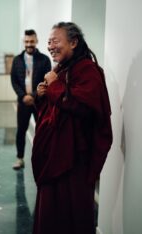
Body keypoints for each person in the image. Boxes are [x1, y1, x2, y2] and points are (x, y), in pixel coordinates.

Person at [31, 22, 113, 234]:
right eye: (48, 42)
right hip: (54, 155)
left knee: (72, 214)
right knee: (50, 212)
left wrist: (55, 85)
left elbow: (83, 108)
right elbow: (54, 110)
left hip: (74, 159)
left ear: (74, 42)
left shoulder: (89, 70)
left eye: (56, 41)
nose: (50, 46)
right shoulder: (61, 70)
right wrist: (43, 95)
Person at [11, 29, 51, 170]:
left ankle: (43, 159)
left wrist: (33, 96)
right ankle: (20, 158)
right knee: (21, 131)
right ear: (24, 42)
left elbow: (47, 81)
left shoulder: (45, 60)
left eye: (32, 41)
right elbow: (14, 81)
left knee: (42, 131)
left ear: (37, 41)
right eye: (27, 41)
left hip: (40, 102)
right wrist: (23, 96)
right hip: (23, 102)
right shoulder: (17, 60)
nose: (29, 44)